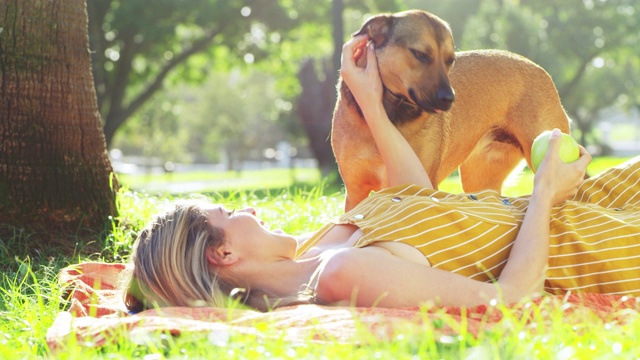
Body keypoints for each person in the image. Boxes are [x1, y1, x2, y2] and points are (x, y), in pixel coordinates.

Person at [123, 35, 640, 313]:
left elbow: (419, 199)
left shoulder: (321, 243)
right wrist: (546, 191)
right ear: (223, 253)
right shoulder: (340, 273)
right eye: (232, 212)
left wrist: (370, 100)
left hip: (577, 207)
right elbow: (506, 301)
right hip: (586, 241)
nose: (250, 208)